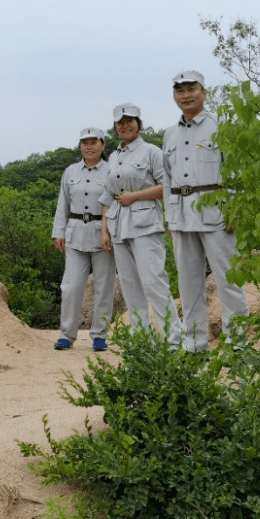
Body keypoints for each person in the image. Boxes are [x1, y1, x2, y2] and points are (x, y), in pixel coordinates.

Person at [164, 70, 250, 351]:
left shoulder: (221, 126)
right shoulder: (170, 134)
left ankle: (237, 344)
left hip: (216, 213)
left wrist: (236, 209)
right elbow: (167, 179)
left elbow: (236, 170)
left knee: (228, 281)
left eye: (191, 88)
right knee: (189, 287)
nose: (185, 95)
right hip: (181, 215)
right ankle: (194, 345)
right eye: (180, 90)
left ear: (205, 92)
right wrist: (170, 217)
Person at [100, 103, 182, 347]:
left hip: (145, 224)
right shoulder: (113, 156)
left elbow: (167, 186)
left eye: (130, 121)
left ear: (138, 123)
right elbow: (107, 196)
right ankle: (142, 342)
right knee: (130, 287)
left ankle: (175, 341)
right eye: (120, 122)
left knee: (154, 283)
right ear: (115, 127)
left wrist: (134, 196)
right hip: (118, 227)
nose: (125, 125)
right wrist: (103, 230)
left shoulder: (151, 152)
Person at [51, 127, 116, 352]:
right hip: (75, 232)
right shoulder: (70, 171)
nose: (89, 146)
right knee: (71, 286)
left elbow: (115, 202)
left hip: (103, 233)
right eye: (84, 142)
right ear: (80, 146)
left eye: (94, 142)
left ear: (103, 145)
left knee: (104, 286)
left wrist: (112, 232)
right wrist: (58, 232)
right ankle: (66, 334)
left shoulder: (111, 170)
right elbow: (63, 204)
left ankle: (99, 335)